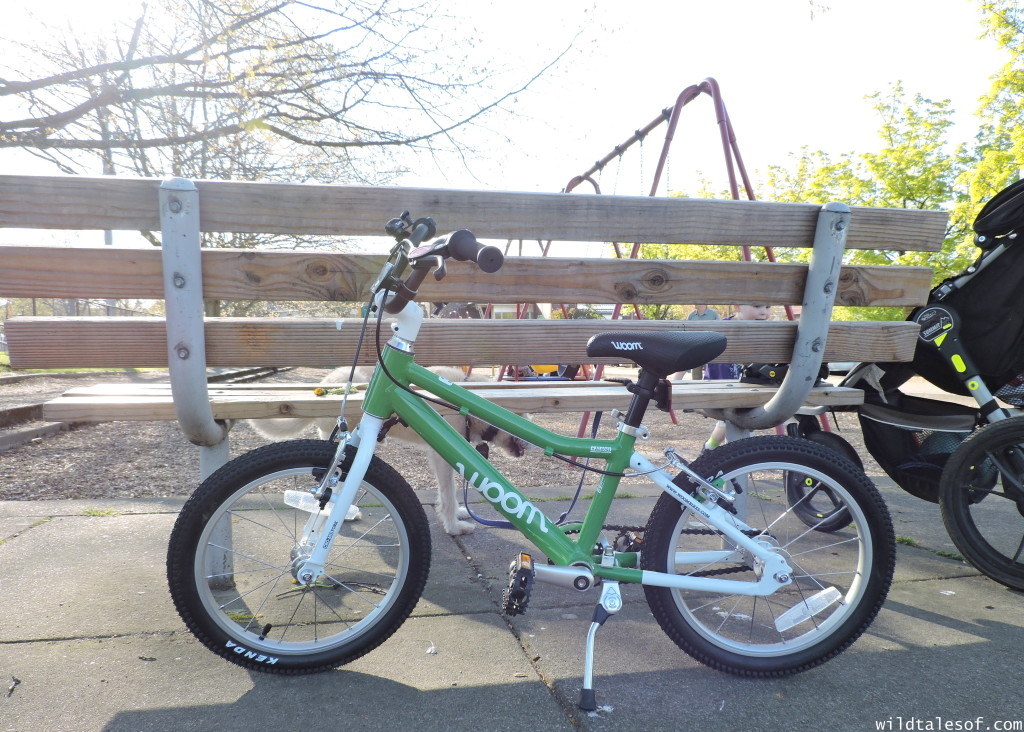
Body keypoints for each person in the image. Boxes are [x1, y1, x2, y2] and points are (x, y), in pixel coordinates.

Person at [702, 304, 772, 452]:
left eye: (768, 307)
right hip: (722, 386)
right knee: (736, 420)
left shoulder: (766, 330)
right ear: (737, 307)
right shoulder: (722, 328)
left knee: (735, 421)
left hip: (748, 388)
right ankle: (715, 450)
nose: (764, 312)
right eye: (758, 306)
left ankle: (710, 449)